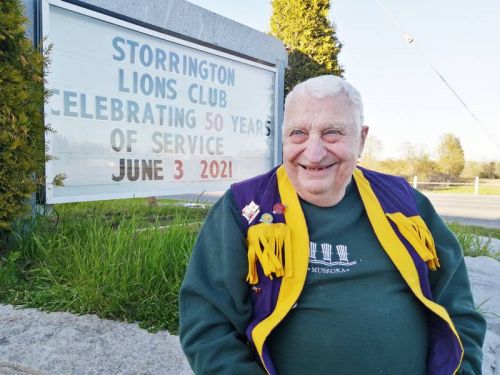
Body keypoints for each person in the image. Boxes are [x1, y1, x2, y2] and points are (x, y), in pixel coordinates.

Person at [179, 75, 486, 375]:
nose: (313, 153)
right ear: (283, 137)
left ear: (362, 139)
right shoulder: (245, 208)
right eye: (298, 133)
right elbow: (207, 325)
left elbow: (459, 313)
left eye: (332, 133)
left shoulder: (407, 204)